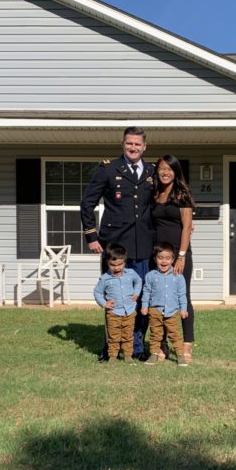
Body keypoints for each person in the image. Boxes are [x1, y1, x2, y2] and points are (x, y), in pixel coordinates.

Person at [80, 126, 156, 360]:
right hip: (114, 244)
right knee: (113, 298)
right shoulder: (108, 169)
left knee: (139, 296)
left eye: (137, 144)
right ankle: (110, 346)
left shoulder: (152, 171)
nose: (133, 148)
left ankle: (136, 347)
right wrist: (92, 236)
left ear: (145, 146)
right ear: (123, 145)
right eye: (129, 143)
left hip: (143, 244)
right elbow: (86, 203)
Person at [150, 155, 196, 364]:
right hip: (158, 255)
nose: (165, 172)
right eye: (162, 168)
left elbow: (187, 226)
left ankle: (186, 345)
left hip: (179, 254)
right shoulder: (155, 194)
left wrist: (182, 256)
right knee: (158, 299)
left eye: (170, 169)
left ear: (176, 172)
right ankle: (162, 346)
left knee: (181, 297)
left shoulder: (182, 195)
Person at [92, 243, 143, 363]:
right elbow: (97, 292)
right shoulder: (105, 278)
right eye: (113, 265)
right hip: (113, 312)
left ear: (125, 262)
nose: (117, 268)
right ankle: (113, 356)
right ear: (107, 263)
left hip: (129, 311)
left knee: (128, 334)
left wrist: (136, 293)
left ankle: (128, 355)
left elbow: (139, 281)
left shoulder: (131, 273)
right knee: (114, 335)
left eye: (120, 264)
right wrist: (104, 304)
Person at [141, 242, 189, 366]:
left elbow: (182, 295)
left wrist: (183, 309)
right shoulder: (150, 276)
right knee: (155, 334)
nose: (164, 261)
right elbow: (146, 292)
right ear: (155, 259)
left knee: (175, 334)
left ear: (173, 260)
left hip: (172, 311)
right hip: (155, 311)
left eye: (167, 258)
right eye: (160, 258)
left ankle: (180, 355)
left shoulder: (178, 276)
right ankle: (153, 354)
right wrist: (145, 306)